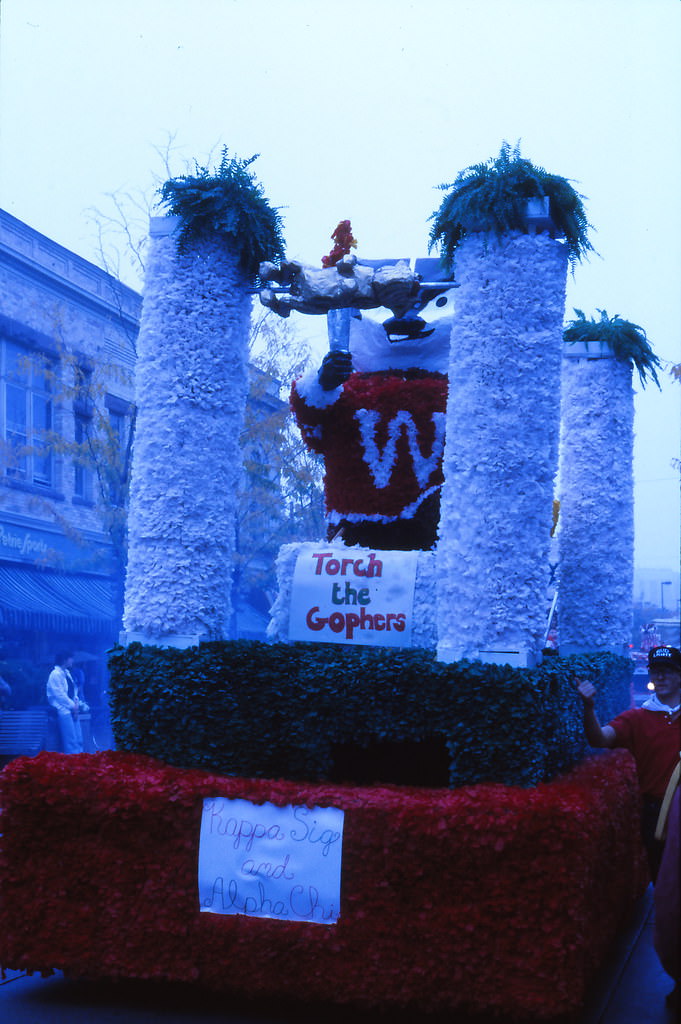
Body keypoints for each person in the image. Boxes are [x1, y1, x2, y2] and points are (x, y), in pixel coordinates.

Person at [576, 644, 681, 883]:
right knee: (664, 882)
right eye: (656, 671)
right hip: (657, 813)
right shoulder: (636, 718)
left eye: (668, 670)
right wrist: (589, 707)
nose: (660, 676)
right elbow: (599, 738)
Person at [46, 651, 84, 754]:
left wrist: (76, 704)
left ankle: (81, 760)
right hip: (63, 710)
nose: (72, 660)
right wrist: (73, 706)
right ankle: (73, 763)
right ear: (64, 660)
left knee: (78, 739)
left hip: (72, 709)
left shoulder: (66, 673)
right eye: (70, 658)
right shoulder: (55, 674)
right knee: (70, 741)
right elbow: (59, 695)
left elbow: (74, 690)